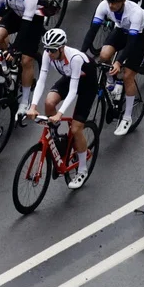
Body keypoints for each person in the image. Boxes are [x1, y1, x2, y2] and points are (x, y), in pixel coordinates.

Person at [29, 28, 95, 188]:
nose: (48, 53)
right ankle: (58, 141)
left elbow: (73, 91)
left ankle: (82, 170)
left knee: (75, 129)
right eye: (46, 49)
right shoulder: (48, 54)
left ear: (61, 48)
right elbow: (41, 80)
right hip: (69, 76)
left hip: (86, 84)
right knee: (49, 103)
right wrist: (32, 106)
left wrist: (60, 114)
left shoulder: (76, 59)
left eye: (52, 50)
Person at [85, 0, 144, 135]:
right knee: (103, 55)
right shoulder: (104, 5)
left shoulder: (135, 12)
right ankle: (111, 81)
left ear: (123, 0)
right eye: (109, 1)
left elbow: (131, 43)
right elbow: (92, 31)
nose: (110, 5)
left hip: (138, 35)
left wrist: (119, 62)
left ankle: (127, 117)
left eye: (114, 2)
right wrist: (81, 54)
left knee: (128, 75)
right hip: (121, 30)